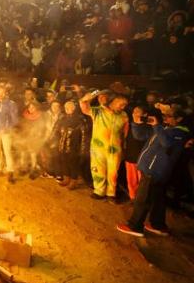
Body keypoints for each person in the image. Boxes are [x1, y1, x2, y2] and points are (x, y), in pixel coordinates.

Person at [117, 106, 192, 237]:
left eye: (169, 116)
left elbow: (167, 144)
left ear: (179, 118)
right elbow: (140, 136)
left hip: (155, 170)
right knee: (158, 200)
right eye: (164, 116)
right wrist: (136, 123)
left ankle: (135, 226)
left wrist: (157, 126)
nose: (165, 118)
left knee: (142, 199)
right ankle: (158, 225)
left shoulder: (181, 133)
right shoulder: (166, 128)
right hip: (154, 169)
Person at [80, 92, 129, 202]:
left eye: (125, 105)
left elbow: (125, 133)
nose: (123, 107)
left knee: (113, 172)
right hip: (98, 148)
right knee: (98, 169)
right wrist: (86, 98)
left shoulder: (124, 115)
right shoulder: (98, 111)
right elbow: (84, 107)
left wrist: (123, 147)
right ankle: (99, 191)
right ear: (112, 102)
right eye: (121, 104)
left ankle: (111, 193)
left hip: (115, 148)